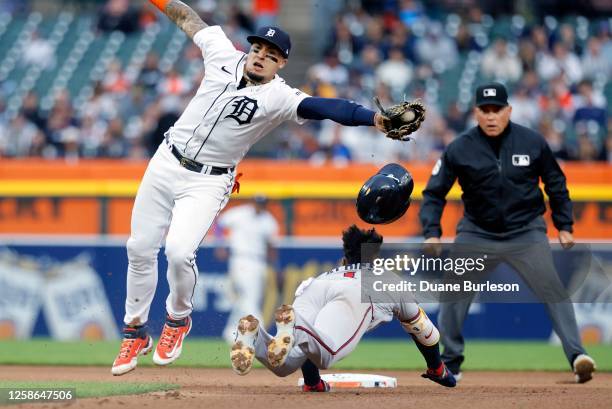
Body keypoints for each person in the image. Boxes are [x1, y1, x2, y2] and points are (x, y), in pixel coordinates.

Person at [111, 0, 394, 376]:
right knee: (139, 248)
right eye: (258, 48)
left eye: (272, 54)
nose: (261, 56)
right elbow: (186, 16)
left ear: (282, 64)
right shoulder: (222, 55)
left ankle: (177, 320)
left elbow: (327, 106)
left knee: (179, 253)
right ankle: (135, 330)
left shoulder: (279, 96)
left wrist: (373, 118)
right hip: (165, 160)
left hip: (208, 179)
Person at [419, 82, 597, 383]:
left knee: (552, 289)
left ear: (508, 111)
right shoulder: (460, 147)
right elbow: (434, 193)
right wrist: (431, 232)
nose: (491, 116)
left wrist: (565, 225)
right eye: (485, 110)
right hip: (477, 232)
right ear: (476, 112)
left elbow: (556, 183)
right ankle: (451, 362)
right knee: (453, 292)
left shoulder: (532, 142)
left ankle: (578, 356)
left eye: (496, 109)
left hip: (526, 231)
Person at [230, 225, 456, 391]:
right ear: (375, 258)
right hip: (354, 291)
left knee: (286, 364)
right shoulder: (386, 279)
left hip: (312, 288)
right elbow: (423, 330)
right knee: (327, 355)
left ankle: (256, 335)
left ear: (345, 257)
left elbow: (309, 349)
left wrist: (313, 383)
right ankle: (296, 325)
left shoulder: (330, 273)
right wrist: (437, 368)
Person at [216, 195, 278, 343]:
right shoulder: (240, 213)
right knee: (248, 298)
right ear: (252, 202)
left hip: (259, 261)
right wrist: (220, 243)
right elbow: (219, 223)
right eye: (257, 203)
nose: (259, 206)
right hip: (240, 258)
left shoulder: (268, 220)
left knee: (250, 299)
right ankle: (262, 334)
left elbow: (271, 246)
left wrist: (276, 266)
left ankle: (230, 331)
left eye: (262, 203)